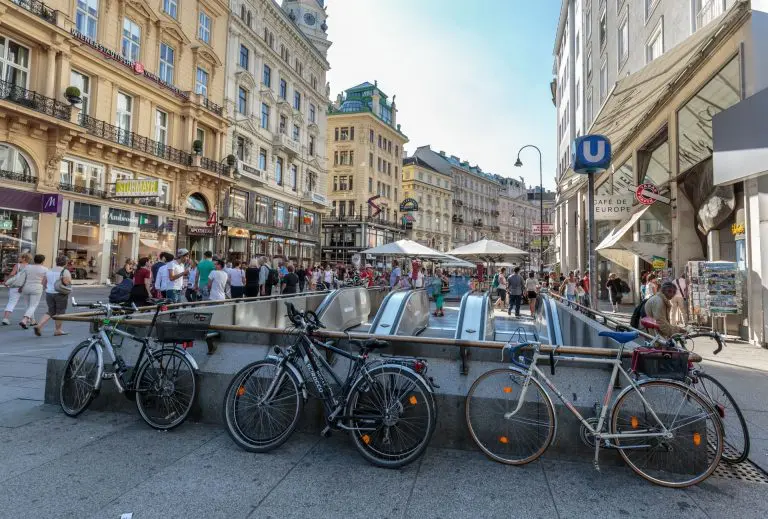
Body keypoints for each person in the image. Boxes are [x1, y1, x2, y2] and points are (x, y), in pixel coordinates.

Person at [34, 256, 71, 337]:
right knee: (60, 312)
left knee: (51, 311)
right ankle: (58, 330)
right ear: (65, 263)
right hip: (60, 293)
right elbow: (66, 282)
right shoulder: (65, 271)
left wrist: (48, 288)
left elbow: (43, 283)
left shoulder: (49, 270)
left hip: (49, 293)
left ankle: (39, 325)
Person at [18, 254, 47, 329]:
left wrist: (20, 287)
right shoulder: (45, 269)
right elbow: (45, 281)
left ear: (34, 260)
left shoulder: (28, 267)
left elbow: (23, 278)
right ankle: (25, 320)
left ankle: (32, 321)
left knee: (28, 305)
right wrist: (44, 287)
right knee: (33, 305)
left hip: (26, 287)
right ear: (43, 261)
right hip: (37, 287)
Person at [2, 253, 31, 325]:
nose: (18, 258)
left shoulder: (17, 265)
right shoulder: (30, 267)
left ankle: (5, 318)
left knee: (11, 302)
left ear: (24, 258)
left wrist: (7, 281)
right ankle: (27, 319)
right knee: (28, 303)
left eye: (20, 257)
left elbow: (12, 274)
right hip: (26, 286)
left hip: (16, 286)